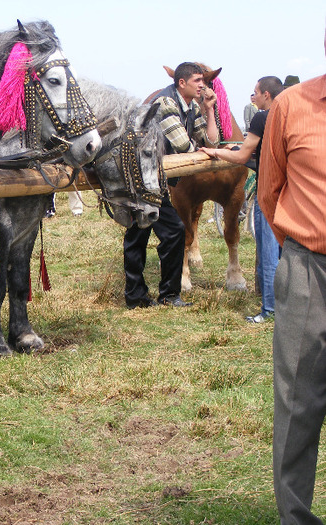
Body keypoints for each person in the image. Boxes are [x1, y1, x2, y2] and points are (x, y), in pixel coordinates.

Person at [259, 27, 326, 524]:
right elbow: (269, 190)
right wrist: (297, 254)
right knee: (298, 401)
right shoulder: (291, 104)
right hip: (308, 269)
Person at [124, 62, 219, 309]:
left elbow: (211, 140)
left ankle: (168, 295)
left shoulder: (191, 107)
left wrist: (209, 110)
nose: (203, 85)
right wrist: (203, 150)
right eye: (198, 80)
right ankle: (136, 296)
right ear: (182, 83)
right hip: (140, 178)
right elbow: (183, 146)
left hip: (156, 180)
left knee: (173, 231)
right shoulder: (166, 103)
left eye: (204, 81)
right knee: (139, 235)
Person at [200, 76, 284, 323]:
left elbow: (243, 155)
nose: (253, 96)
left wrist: (215, 151)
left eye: (255, 92)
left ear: (266, 95)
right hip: (292, 193)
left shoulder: (262, 117)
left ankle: (269, 309)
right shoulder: (291, 113)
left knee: (267, 251)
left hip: (269, 191)